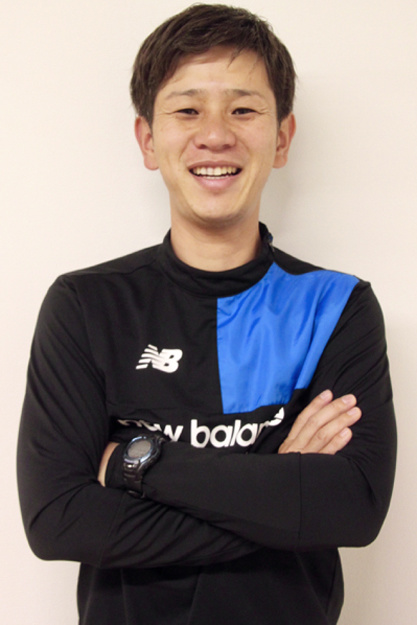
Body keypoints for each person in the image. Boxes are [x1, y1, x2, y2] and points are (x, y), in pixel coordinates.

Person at [17, 4, 396, 624]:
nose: (215, 135)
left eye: (243, 110)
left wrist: (138, 464)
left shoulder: (337, 306)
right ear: (148, 139)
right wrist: (280, 490)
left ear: (282, 138)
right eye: (187, 110)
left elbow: (353, 508)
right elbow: (58, 521)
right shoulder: (85, 305)